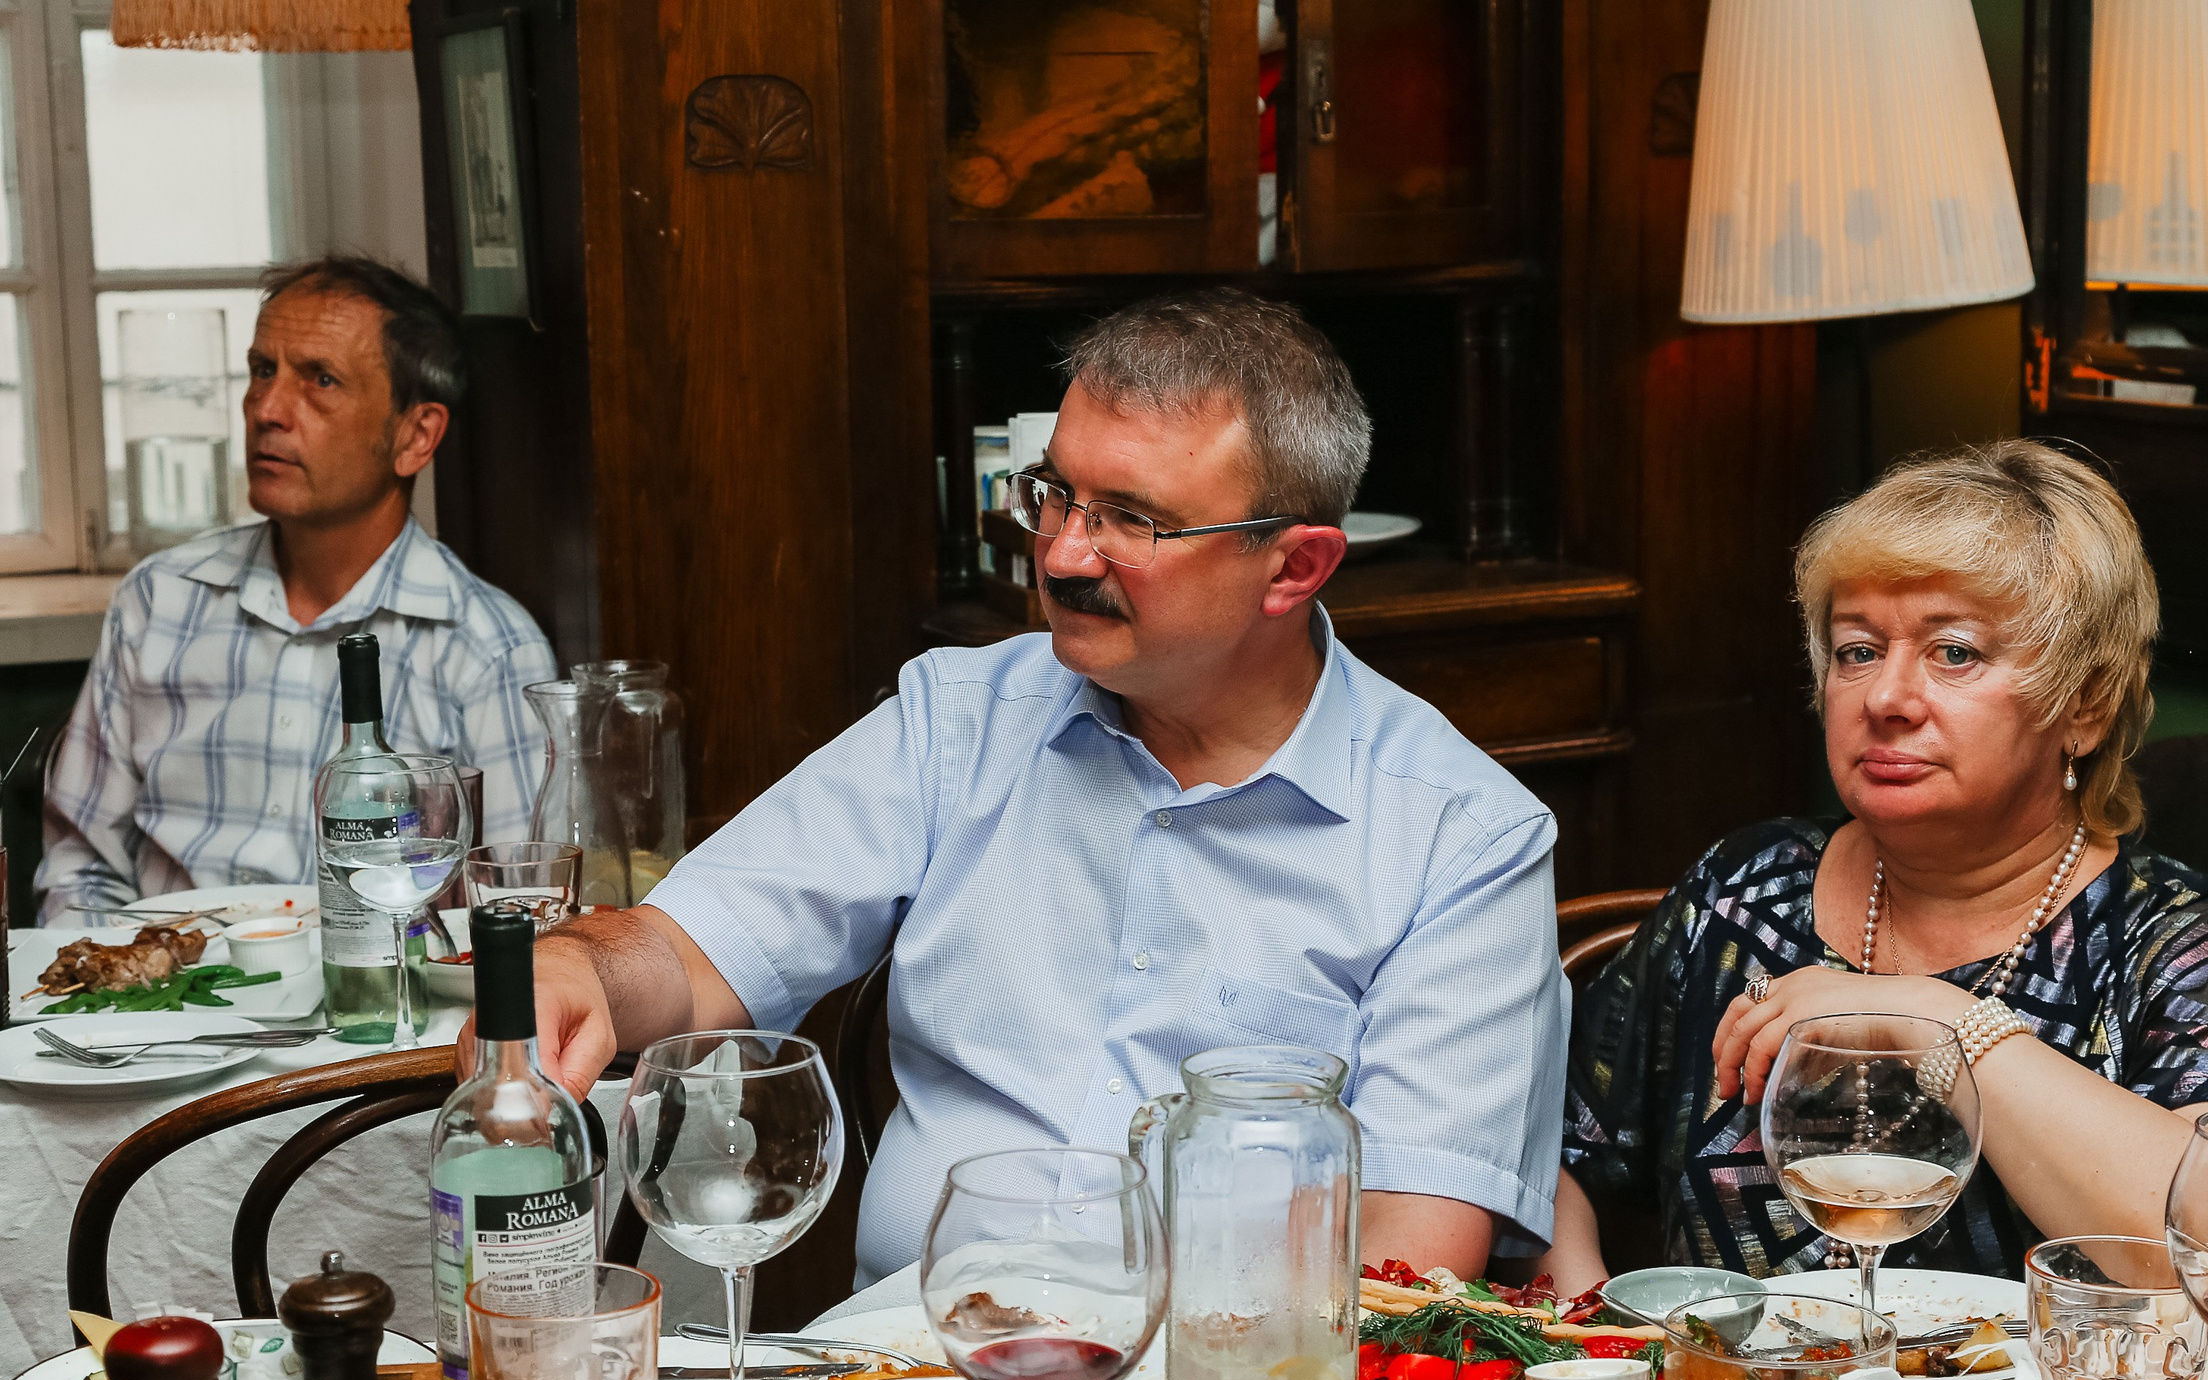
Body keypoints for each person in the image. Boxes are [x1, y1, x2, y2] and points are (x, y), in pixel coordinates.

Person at [492, 287, 1569, 1288]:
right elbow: (688, 957)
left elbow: (1407, 1260)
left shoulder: (1459, 842)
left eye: (1131, 520)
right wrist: (580, 962)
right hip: (908, 1376)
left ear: (1293, 567)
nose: (1057, 554)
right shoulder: (958, 720)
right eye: (1056, 493)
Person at [1553, 440, 2208, 1286]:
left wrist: (1924, 1015)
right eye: (1858, 650)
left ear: (2084, 705)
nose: (1885, 699)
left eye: (1954, 653)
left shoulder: (2181, 942)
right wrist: (1591, 1331)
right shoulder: (1744, 890)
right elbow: (1548, 1147)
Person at [38, 256, 556, 922]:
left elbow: (517, 908)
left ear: (415, 435)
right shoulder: (159, 602)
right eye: (262, 371)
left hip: (383, 1007)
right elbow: (79, 873)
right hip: (161, 1003)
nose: (268, 409)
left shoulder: (488, 649)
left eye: (321, 379)